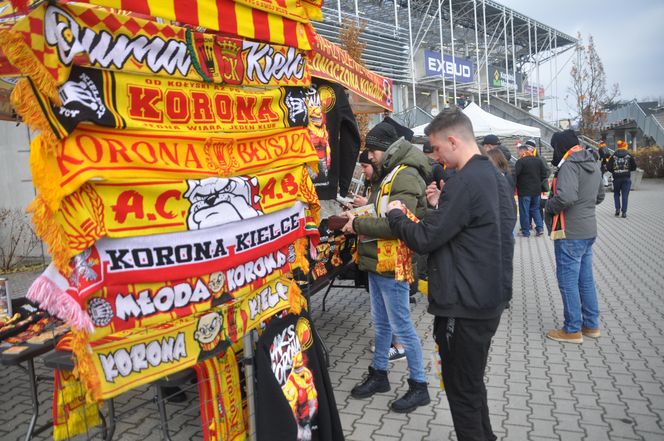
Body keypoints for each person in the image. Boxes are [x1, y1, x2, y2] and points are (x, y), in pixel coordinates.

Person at [386, 108, 516, 440]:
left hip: (464, 305)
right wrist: (443, 205)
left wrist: (398, 217)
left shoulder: (466, 182)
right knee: (471, 387)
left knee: (462, 392)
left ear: (453, 141)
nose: (436, 158)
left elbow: (427, 238)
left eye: (437, 149)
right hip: (487, 300)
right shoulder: (494, 178)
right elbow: (475, 225)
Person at [340, 121, 432, 413]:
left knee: (401, 327)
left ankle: (419, 385)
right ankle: (379, 373)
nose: (370, 159)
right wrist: (362, 209)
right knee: (381, 324)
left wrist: (357, 224)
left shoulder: (404, 175)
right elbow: (384, 212)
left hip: (394, 262)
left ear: (384, 150)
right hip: (380, 259)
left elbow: (396, 225)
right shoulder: (392, 173)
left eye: (372, 153)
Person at [545, 129, 604, 344]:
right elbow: (600, 196)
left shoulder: (569, 165)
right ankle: (591, 324)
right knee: (585, 280)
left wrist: (549, 205)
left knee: (568, 282)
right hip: (588, 230)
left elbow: (567, 197)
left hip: (570, 232)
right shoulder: (593, 161)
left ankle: (572, 329)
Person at [354, 150, 407, 363]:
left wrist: (358, 219)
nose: (364, 171)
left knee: (396, 315)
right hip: (378, 257)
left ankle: (401, 348)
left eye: (366, 166)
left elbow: (392, 223)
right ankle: (384, 358)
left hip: (390, 258)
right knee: (383, 315)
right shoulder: (382, 181)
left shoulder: (400, 178)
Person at [515, 144, 549, 237]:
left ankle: (525, 231)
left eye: (518, 151)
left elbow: (515, 175)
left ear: (522, 151)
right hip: (536, 191)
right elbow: (544, 174)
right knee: (535, 210)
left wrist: (516, 185)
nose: (517, 154)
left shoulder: (520, 161)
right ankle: (540, 228)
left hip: (524, 191)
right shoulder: (538, 160)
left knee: (524, 211)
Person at [607, 139, 637, 218]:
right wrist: (628, 170)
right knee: (625, 195)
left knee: (616, 194)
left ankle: (617, 209)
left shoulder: (613, 156)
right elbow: (634, 167)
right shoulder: (629, 155)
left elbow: (608, 167)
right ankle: (624, 212)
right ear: (625, 146)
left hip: (616, 178)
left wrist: (614, 171)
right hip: (626, 178)